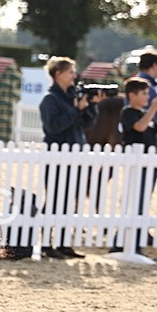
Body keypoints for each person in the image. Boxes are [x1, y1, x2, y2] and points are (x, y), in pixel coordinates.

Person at [36, 56, 96, 259]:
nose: (74, 76)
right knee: (55, 199)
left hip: (74, 155)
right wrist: (75, 110)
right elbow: (53, 126)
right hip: (57, 156)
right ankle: (46, 244)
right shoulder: (50, 99)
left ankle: (63, 243)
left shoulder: (72, 96)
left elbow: (87, 124)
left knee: (70, 200)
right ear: (58, 74)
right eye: (70, 72)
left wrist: (90, 106)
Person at [114, 77, 157, 255]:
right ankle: (122, 242)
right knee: (134, 202)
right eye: (144, 94)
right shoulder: (128, 112)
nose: (147, 97)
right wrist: (153, 109)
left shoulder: (147, 115)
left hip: (148, 164)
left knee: (142, 202)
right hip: (135, 164)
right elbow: (139, 127)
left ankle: (134, 241)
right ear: (132, 95)